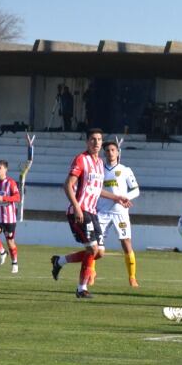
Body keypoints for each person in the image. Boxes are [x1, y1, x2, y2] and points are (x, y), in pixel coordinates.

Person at [50, 128, 130, 298]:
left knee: (99, 252)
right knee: (92, 249)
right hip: (80, 211)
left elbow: (96, 189)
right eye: (93, 139)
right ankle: (81, 289)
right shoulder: (81, 159)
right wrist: (77, 207)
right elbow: (68, 185)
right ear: (87, 142)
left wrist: (116, 198)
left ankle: (60, 261)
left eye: (99, 139)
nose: (96, 142)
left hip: (93, 212)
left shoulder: (100, 163)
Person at [98, 140, 142, 287]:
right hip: (102, 211)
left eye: (112, 150)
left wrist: (125, 198)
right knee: (95, 244)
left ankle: (132, 277)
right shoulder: (99, 170)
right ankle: (91, 273)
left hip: (120, 212)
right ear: (104, 153)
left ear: (117, 152)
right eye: (107, 151)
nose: (110, 153)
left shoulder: (125, 170)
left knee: (126, 242)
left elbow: (136, 190)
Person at [0, 159, 21, 274]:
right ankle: (2, 252)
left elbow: (17, 198)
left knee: (10, 243)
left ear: (5, 169)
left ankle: (15, 262)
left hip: (9, 219)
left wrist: (4, 198)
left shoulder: (11, 183)